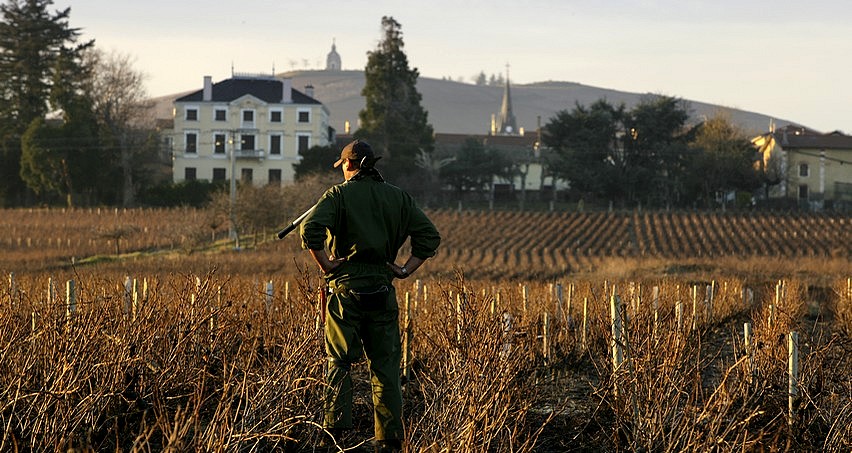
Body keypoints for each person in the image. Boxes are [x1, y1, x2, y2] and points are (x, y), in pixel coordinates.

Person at [299, 139, 440, 452]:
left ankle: (335, 436)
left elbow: (310, 231)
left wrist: (328, 264)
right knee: (386, 366)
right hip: (382, 291)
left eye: (343, 166)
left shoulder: (338, 195)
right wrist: (404, 270)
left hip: (345, 292)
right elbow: (429, 236)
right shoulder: (399, 198)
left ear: (348, 165)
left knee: (338, 363)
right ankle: (390, 439)